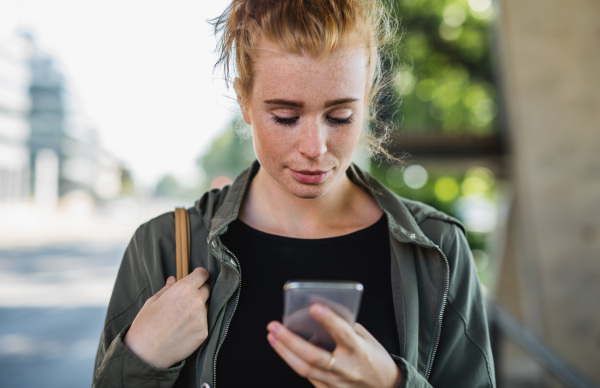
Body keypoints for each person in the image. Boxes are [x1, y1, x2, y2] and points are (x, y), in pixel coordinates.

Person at [93, 0, 495, 387]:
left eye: (340, 116)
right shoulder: (163, 246)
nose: (314, 147)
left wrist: (393, 385)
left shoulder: (437, 249)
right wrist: (140, 357)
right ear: (244, 100)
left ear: (369, 99)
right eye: (285, 117)